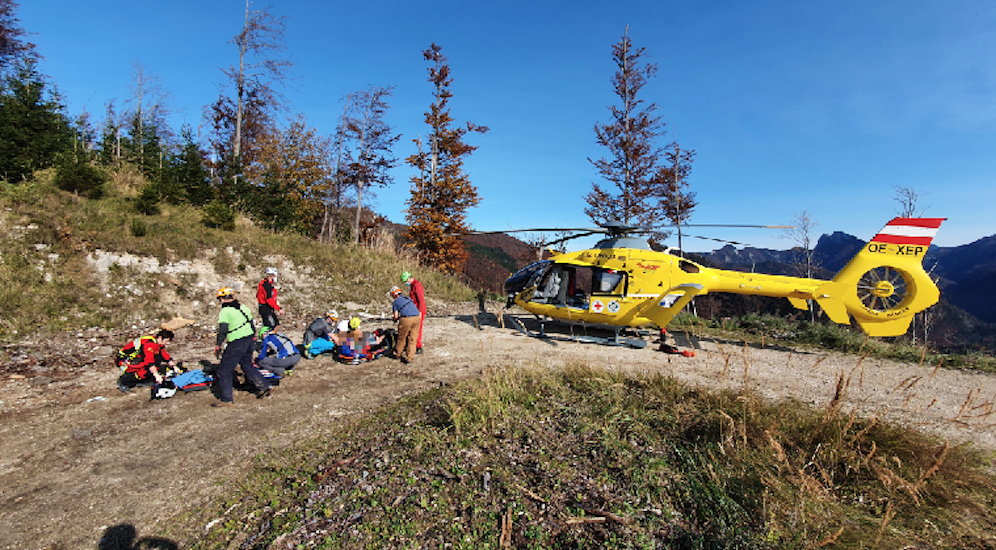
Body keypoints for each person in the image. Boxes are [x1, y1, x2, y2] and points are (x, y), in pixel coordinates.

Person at [213, 287, 272, 407]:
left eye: (219, 299)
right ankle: (264, 385)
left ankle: (226, 399)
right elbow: (251, 324)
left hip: (236, 342)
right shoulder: (243, 307)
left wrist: (218, 345)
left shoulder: (225, 311)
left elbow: (223, 330)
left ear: (222, 299)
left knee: (224, 371)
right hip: (249, 339)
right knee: (247, 365)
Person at [116, 329, 180, 392]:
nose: (166, 343)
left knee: (157, 359)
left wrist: (174, 366)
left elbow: (165, 355)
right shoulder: (149, 344)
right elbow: (149, 362)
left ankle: (146, 379)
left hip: (136, 359)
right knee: (147, 369)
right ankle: (124, 381)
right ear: (160, 338)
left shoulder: (157, 343)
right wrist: (156, 374)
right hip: (124, 362)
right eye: (166, 341)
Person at [391, 286, 421, 364]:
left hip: (406, 319)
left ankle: (397, 353)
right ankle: (410, 357)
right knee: (412, 338)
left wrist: (395, 320)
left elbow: (396, 316)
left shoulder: (395, 302)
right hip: (417, 318)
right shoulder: (408, 299)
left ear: (394, 294)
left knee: (402, 337)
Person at [401, 271, 426, 355]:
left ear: (409, 279)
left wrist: (420, 312)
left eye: (405, 281)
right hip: (414, 310)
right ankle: (412, 344)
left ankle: (418, 346)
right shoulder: (412, 285)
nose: (405, 283)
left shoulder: (417, 285)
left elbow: (421, 300)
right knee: (412, 328)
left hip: (418, 310)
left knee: (418, 329)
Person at [256, 267, 281, 331]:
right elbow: (269, 300)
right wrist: (278, 309)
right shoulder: (266, 285)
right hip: (265, 308)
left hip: (268, 308)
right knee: (270, 327)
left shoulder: (268, 285)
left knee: (276, 325)